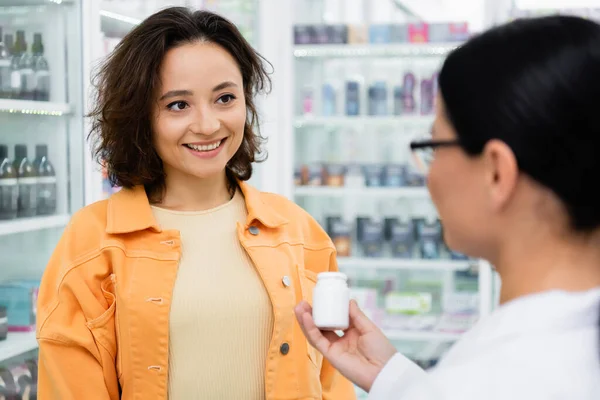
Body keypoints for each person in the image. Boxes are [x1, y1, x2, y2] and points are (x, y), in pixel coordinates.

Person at [36, 7, 355, 400]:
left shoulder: (298, 230)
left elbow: (332, 379)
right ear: (140, 117)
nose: (207, 124)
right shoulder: (91, 240)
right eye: (178, 105)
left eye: (224, 98)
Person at [295, 15, 600, 400]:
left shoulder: (486, 378)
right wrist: (395, 378)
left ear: (496, 173)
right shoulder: (563, 348)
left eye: (434, 146)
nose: (429, 175)